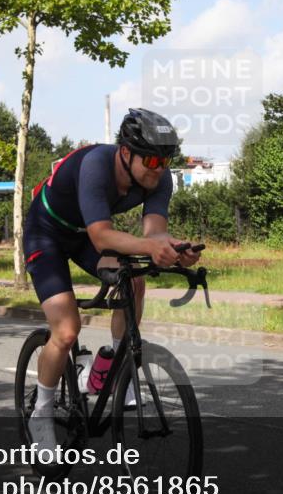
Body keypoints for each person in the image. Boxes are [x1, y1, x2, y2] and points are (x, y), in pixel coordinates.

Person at [22, 108, 201, 455]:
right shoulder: (96, 165)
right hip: (46, 232)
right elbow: (102, 237)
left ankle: (116, 370)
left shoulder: (159, 178)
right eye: (152, 161)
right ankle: (41, 413)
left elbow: (154, 234)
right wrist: (151, 247)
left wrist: (175, 249)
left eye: (165, 161)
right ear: (126, 152)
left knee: (133, 280)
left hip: (84, 236)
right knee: (66, 330)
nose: (159, 169)